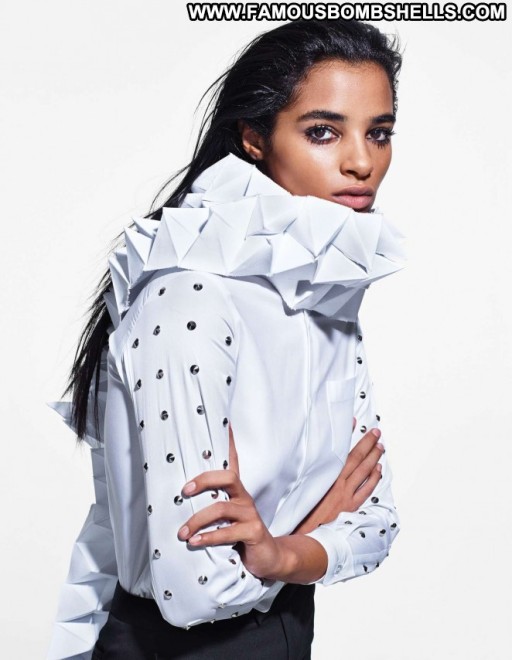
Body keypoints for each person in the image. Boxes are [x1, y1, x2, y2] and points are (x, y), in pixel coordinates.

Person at [47, 18, 405, 660]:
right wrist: (311, 537)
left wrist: (280, 551)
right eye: (323, 132)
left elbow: (377, 519)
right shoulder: (187, 299)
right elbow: (197, 590)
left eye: (379, 133)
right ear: (253, 137)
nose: (361, 161)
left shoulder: (325, 296)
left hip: (289, 636)